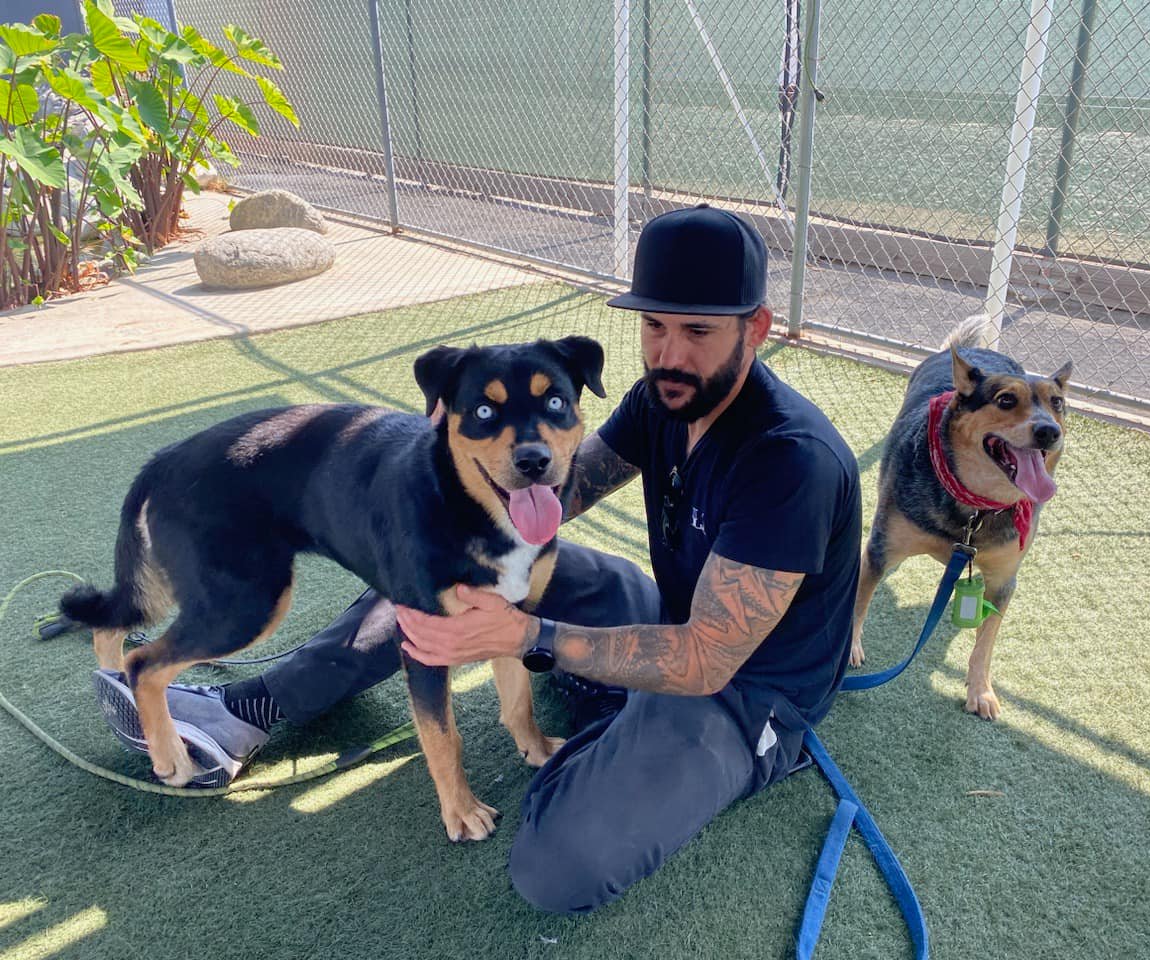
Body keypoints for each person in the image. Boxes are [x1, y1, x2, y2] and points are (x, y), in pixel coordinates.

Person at [94, 204, 862, 913]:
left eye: (698, 332)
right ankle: (247, 707)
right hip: (661, 611)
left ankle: (620, 734)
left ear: (755, 328)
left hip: (743, 690)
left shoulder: (788, 461)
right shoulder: (666, 397)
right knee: (434, 580)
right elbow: (566, 489)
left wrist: (526, 639)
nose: (669, 353)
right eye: (654, 326)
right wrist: (439, 493)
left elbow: (707, 658)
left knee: (556, 865)